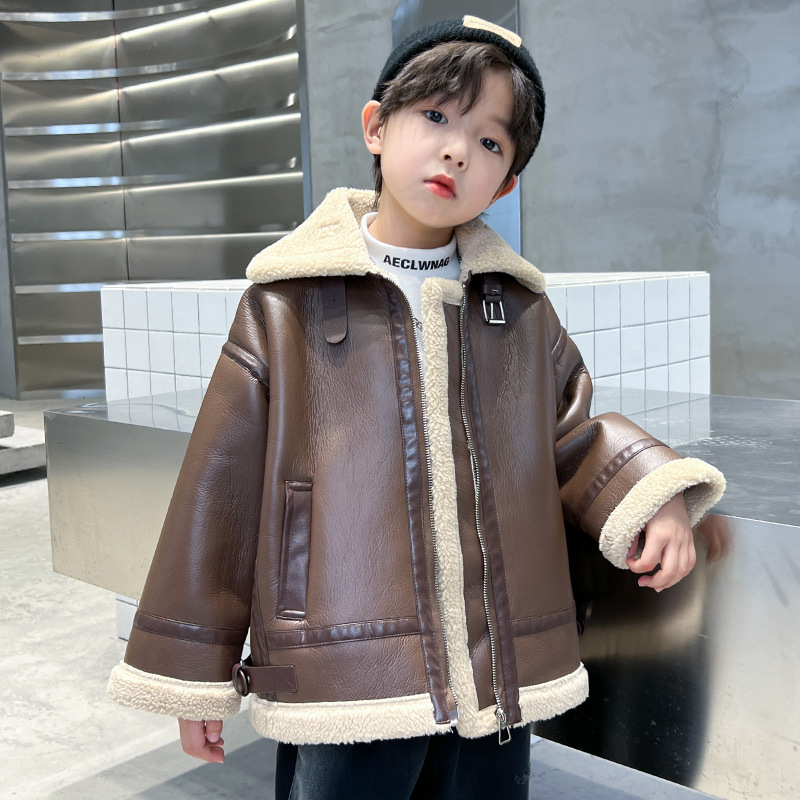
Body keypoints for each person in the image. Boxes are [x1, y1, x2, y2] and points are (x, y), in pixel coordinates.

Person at [108, 16, 725, 799]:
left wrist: (652, 490)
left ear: (505, 183)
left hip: (493, 671)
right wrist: (194, 673)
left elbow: (569, 431)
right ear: (376, 126)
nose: (457, 149)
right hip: (344, 671)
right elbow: (219, 491)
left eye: (490, 141)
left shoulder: (516, 308)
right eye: (435, 115)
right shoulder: (287, 303)